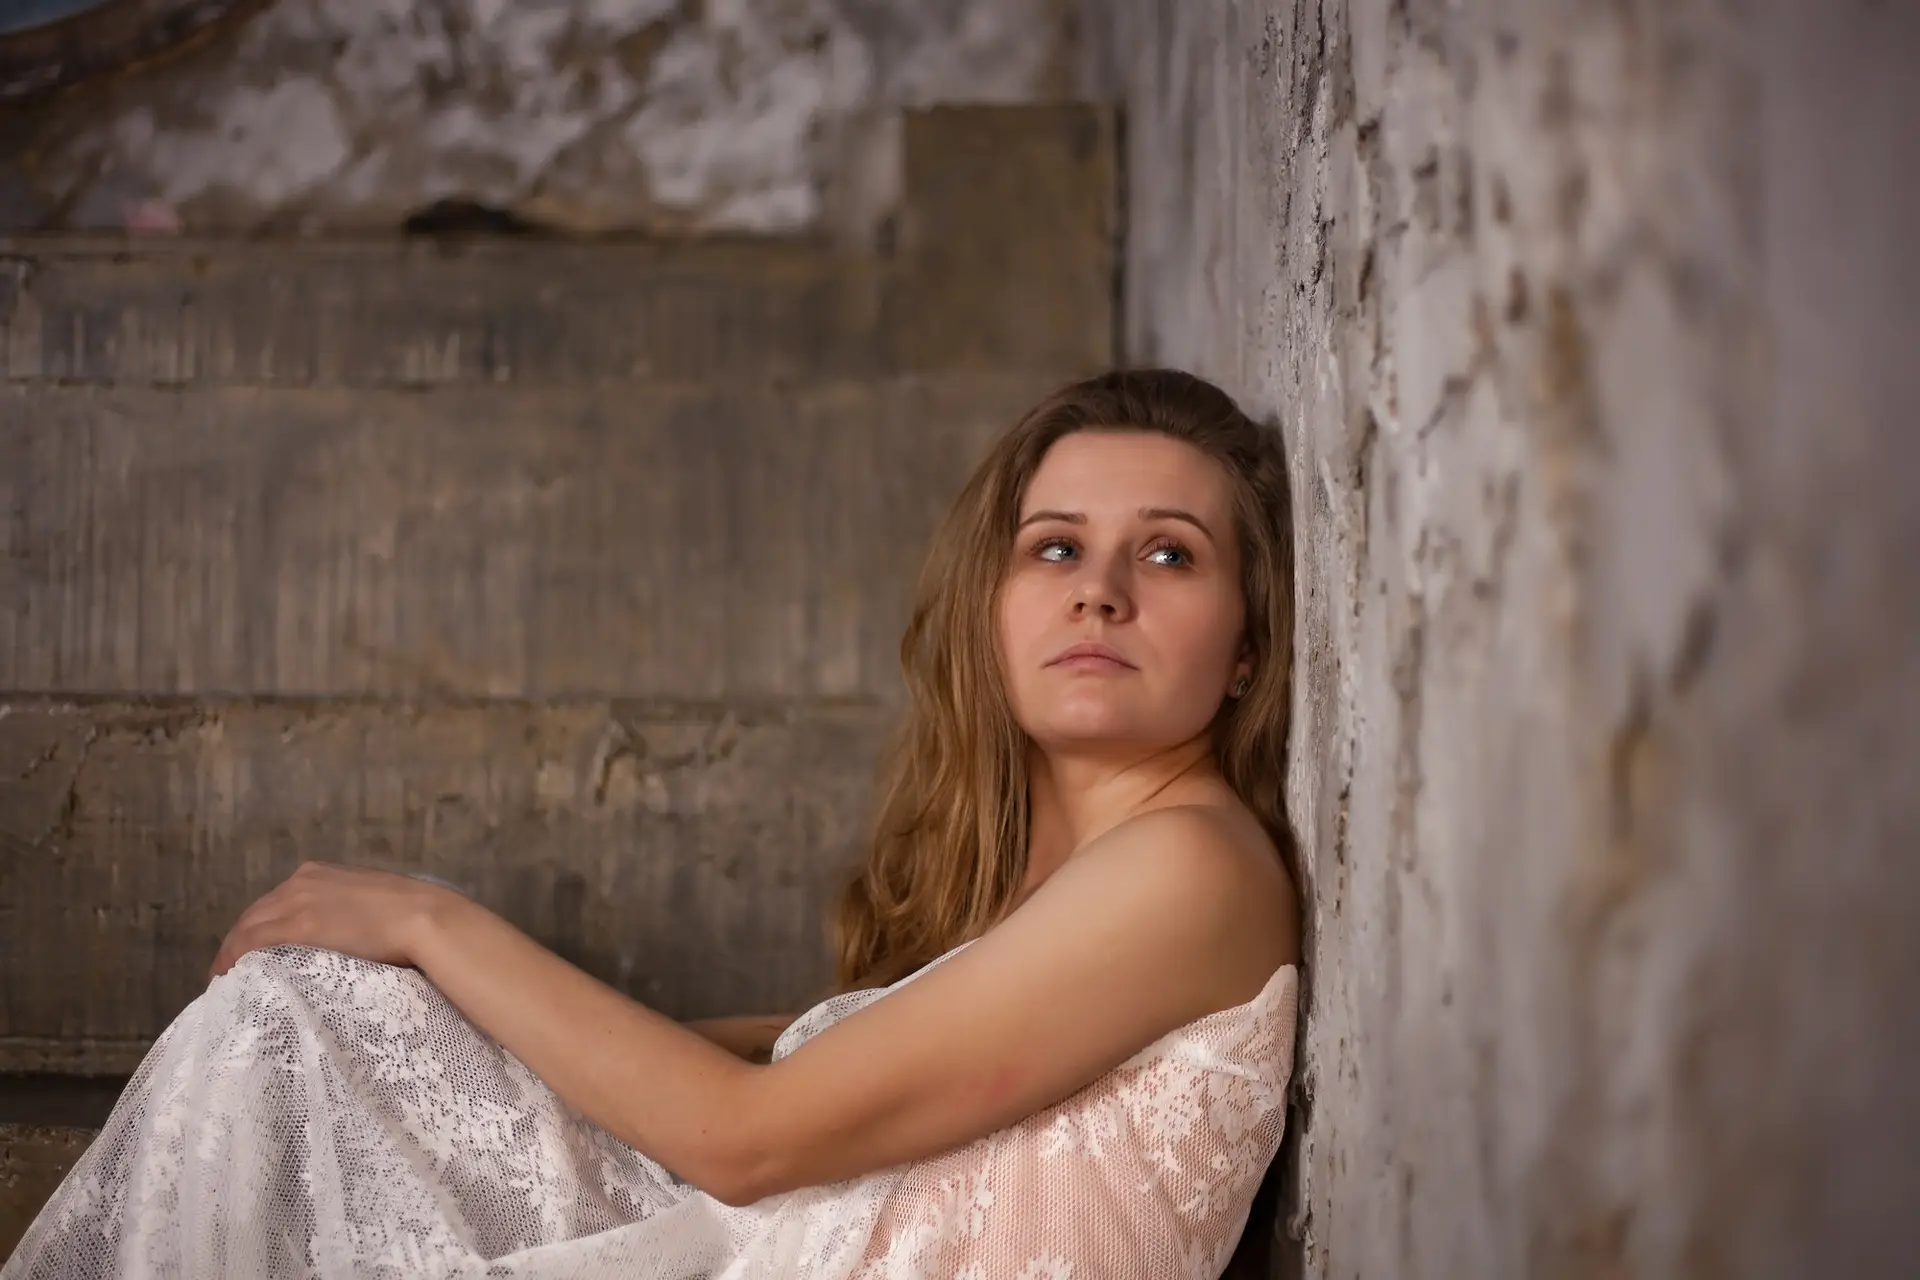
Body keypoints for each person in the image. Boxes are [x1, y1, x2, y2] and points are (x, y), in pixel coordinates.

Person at [3, 369, 1302, 1280]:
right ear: (994, 601)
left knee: (289, 1022)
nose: (1102, 595)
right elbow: (801, 1059)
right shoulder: (1071, 875)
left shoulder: (1190, 866)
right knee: (315, 1014)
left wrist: (425, 919)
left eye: (1172, 554)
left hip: (756, 1236)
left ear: (1246, 650)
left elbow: (747, 1136)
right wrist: (449, 1011)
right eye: (1057, 549)